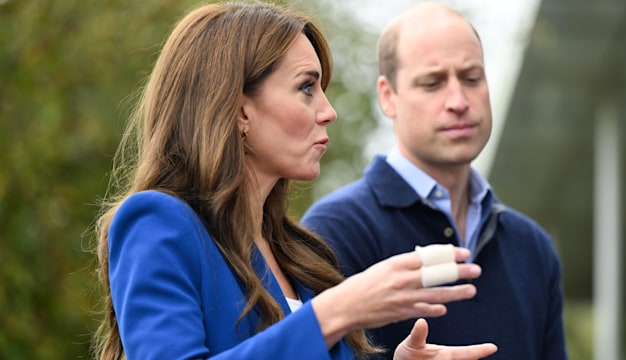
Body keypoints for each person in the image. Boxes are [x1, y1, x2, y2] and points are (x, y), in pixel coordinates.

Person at [91, 2, 499, 359]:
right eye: (306, 88)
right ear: (239, 110)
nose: (328, 111)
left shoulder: (299, 255)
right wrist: (336, 311)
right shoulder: (156, 222)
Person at [302, 2, 568, 360]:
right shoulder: (334, 232)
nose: (458, 101)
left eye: (472, 77)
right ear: (387, 96)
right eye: (433, 82)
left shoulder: (532, 246)